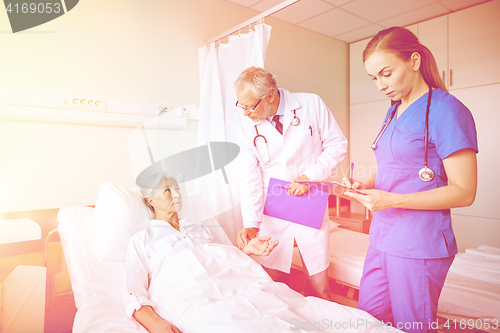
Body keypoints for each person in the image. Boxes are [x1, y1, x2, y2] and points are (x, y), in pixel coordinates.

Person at [342, 27, 478, 333]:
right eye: (374, 78)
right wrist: (368, 184)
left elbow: (464, 191)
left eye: (386, 74)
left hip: (418, 244)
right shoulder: (392, 111)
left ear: (414, 61)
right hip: (381, 236)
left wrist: (393, 200)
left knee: (412, 327)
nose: (380, 85)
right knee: (369, 318)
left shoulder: (447, 111)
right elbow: (394, 164)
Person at [234, 66, 347, 300]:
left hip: (309, 201)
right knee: (271, 280)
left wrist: (311, 175)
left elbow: (337, 144)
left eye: (249, 105)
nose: (245, 112)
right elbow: (249, 177)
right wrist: (251, 223)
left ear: (270, 95)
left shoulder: (311, 105)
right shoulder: (247, 125)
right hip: (273, 209)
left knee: (318, 285)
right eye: (241, 105)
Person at [125, 173, 279, 333]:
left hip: (234, 287)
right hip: (190, 298)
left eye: (177, 188)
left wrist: (247, 250)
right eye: (168, 191)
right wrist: (157, 325)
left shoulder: (200, 228)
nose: (177, 194)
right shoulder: (142, 240)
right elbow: (134, 293)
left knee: (276, 306)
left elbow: (226, 260)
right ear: (151, 201)